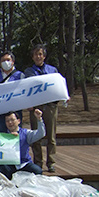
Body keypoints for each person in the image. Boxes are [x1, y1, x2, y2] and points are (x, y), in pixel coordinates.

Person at [24, 44, 59, 173]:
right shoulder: (28, 72)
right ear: (32, 57)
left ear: (44, 56)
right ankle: (38, 161)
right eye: (36, 54)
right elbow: (26, 89)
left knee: (51, 136)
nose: (38, 56)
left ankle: (51, 162)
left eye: (40, 54)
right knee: (37, 135)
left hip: (50, 106)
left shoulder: (53, 70)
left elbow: (58, 85)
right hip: (36, 107)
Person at [2, 109, 46, 179]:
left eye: (12, 120)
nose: (10, 122)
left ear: (18, 121)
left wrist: (39, 119)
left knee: (38, 170)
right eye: (7, 121)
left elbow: (41, 134)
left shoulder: (26, 133)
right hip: (10, 164)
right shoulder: (2, 136)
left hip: (24, 163)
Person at [0, 51, 25, 132]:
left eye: (8, 60)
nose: (6, 62)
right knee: (1, 135)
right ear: (0, 63)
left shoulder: (20, 75)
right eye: (3, 60)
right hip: (0, 112)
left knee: (16, 134)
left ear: (13, 61)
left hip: (15, 111)